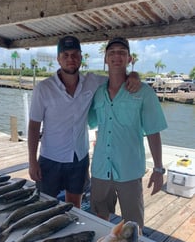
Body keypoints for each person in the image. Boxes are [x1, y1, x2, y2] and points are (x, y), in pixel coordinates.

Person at [28, 35, 140, 209]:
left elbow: (118, 78)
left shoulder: (93, 82)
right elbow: (34, 127)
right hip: (50, 158)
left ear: (81, 57)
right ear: (58, 59)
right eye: (65, 55)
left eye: (75, 54)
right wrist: (32, 161)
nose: (70, 59)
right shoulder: (43, 88)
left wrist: (133, 74)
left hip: (78, 158)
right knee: (44, 205)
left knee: (74, 206)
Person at [88, 36, 167, 230]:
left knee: (133, 225)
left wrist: (158, 169)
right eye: (112, 53)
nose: (117, 57)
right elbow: (89, 120)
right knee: (99, 219)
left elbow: (153, 131)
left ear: (129, 59)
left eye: (122, 53)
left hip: (129, 170)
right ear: (105, 59)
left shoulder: (144, 92)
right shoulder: (96, 91)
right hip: (100, 169)